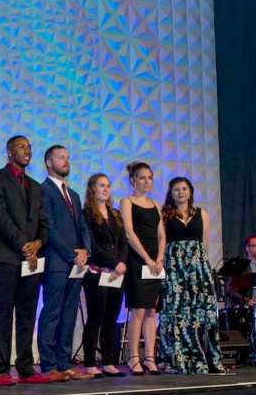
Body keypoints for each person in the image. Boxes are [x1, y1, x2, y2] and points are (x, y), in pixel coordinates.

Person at [0, 135, 52, 386]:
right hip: (5, 256)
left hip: (32, 257)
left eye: (30, 147)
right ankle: (0, 368)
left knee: (28, 311)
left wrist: (37, 244)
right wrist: (24, 244)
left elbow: (43, 221)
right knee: (4, 310)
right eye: (22, 147)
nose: (27, 151)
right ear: (9, 152)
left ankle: (25, 366)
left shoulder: (34, 186)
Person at [155, 177, 226, 374]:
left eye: (184, 189)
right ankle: (179, 358)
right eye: (176, 189)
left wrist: (197, 264)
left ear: (190, 192)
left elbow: (203, 243)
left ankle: (205, 358)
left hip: (197, 268)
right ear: (171, 193)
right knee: (177, 313)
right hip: (175, 268)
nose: (181, 192)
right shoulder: (165, 215)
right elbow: (162, 240)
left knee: (200, 313)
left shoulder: (201, 213)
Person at [35, 145, 93, 382]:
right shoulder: (43, 191)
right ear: (49, 163)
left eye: (68, 157)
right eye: (61, 157)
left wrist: (85, 251)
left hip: (76, 264)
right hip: (57, 263)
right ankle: (48, 365)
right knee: (52, 313)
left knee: (70, 314)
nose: (66, 161)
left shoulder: (75, 195)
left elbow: (83, 228)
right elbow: (49, 227)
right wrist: (72, 254)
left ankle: (65, 363)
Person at [81, 173, 128, 378]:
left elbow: (124, 243)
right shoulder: (86, 214)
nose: (106, 189)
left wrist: (123, 263)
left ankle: (109, 362)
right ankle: (90, 362)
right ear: (92, 188)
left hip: (117, 273)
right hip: (96, 272)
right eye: (101, 185)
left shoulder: (115, 213)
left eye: (108, 185)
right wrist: (113, 263)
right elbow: (91, 244)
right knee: (95, 317)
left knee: (111, 318)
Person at [120, 161, 165, 376]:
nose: (146, 181)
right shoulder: (126, 201)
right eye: (142, 177)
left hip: (154, 263)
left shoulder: (156, 205)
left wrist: (160, 258)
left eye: (149, 177)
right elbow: (129, 233)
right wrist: (147, 258)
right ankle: (133, 357)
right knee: (137, 310)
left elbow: (161, 235)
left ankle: (150, 357)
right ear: (132, 180)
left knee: (151, 310)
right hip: (137, 260)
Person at [226, 235, 256, 306]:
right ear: (247, 248)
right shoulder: (240, 266)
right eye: (255, 246)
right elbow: (231, 291)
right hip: (249, 308)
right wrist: (248, 301)